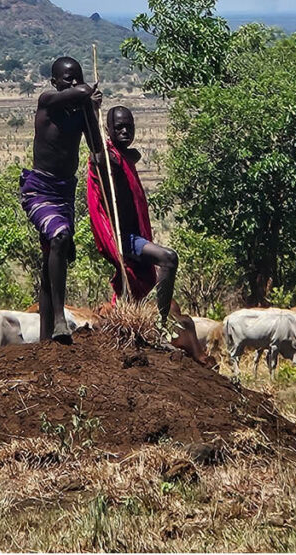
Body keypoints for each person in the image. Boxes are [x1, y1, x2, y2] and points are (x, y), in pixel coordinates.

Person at [87, 105, 210, 364]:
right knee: (168, 258)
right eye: (118, 127)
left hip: (134, 235)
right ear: (108, 130)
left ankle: (147, 319)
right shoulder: (110, 158)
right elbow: (99, 155)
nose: (124, 131)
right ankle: (161, 324)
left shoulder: (126, 157)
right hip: (122, 238)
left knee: (148, 282)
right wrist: (91, 108)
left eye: (128, 126)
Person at [20, 57, 102, 344]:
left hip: (65, 191)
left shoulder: (80, 110)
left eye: (76, 77)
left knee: (53, 259)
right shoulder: (47, 102)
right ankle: (58, 319)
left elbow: (96, 147)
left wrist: (91, 110)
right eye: (67, 78)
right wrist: (86, 91)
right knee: (59, 236)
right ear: (55, 82)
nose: (73, 82)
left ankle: (46, 339)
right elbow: (77, 93)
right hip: (39, 190)